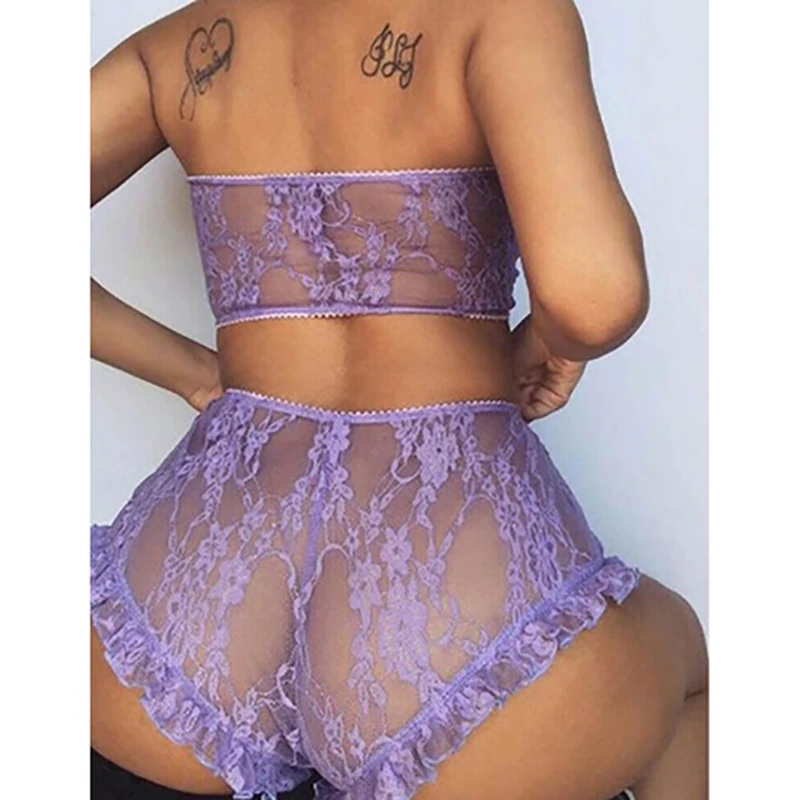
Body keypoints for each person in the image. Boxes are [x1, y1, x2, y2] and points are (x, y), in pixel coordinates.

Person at [90, 1, 708, 799]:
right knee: (686, 669)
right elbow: (595, 298)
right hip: (445, 598)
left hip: (191, 595)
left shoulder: (179, 45)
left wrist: (194, 373)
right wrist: (550, 344)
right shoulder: (502, 13)